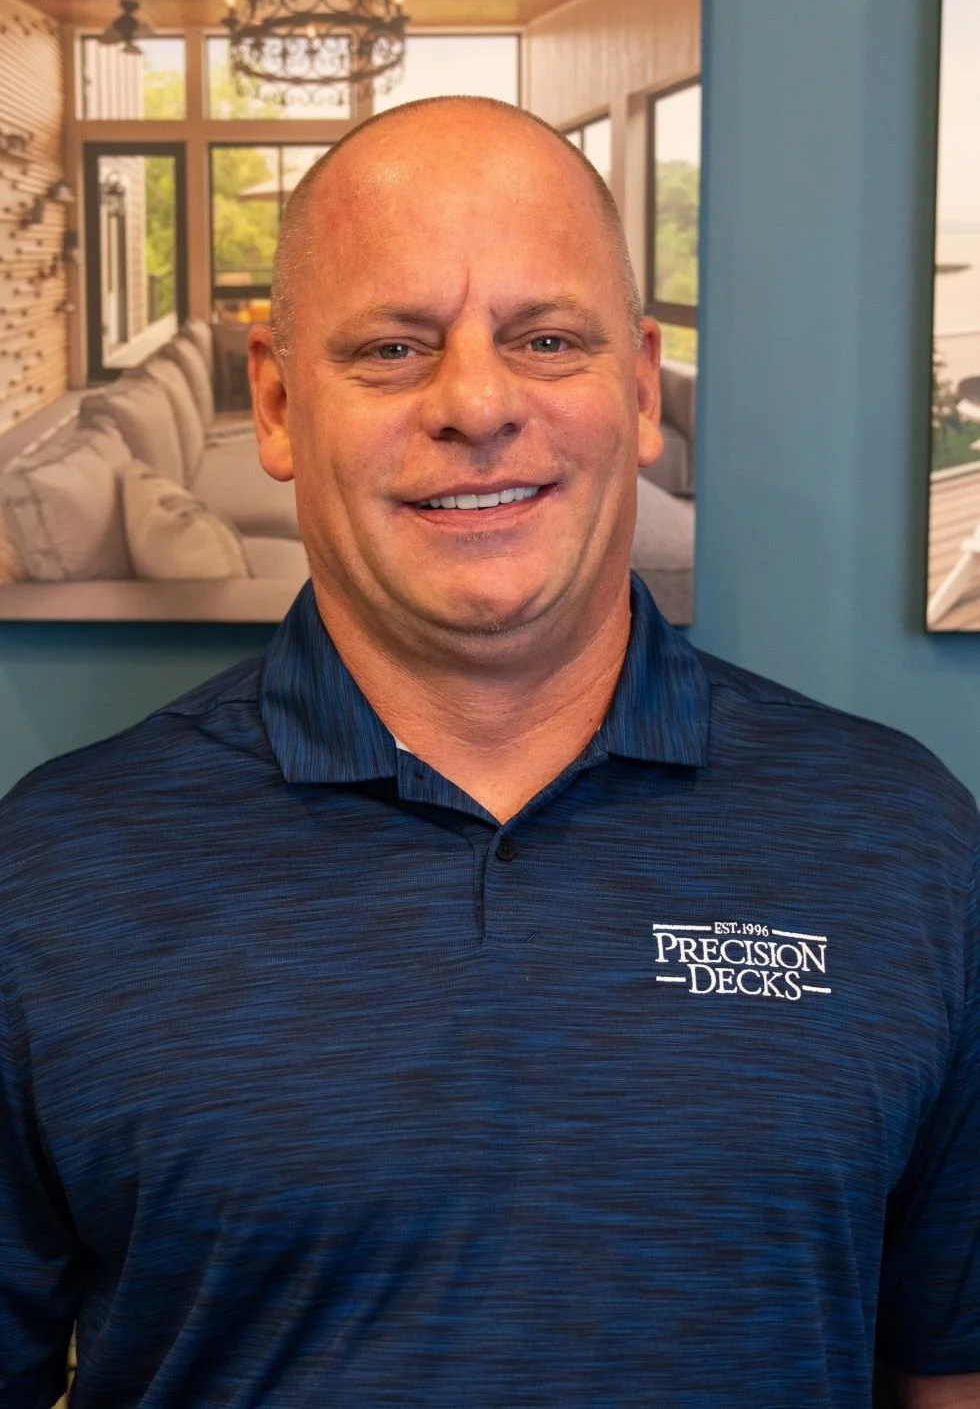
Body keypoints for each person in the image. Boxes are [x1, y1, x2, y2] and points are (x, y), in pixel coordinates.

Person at [0, 97, 977, 1409]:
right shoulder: (50, 872)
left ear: (640, 386)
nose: (476, 402)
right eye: (394, 347)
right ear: (277, 402)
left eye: (546, 339)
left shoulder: (900, 840)